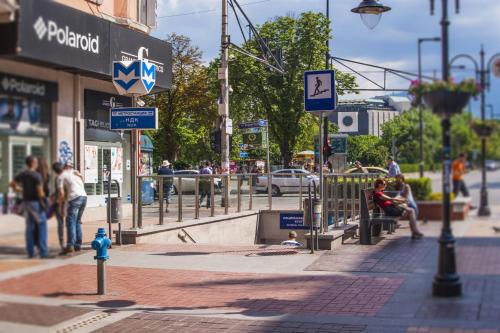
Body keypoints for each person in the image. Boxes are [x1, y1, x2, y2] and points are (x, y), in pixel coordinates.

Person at [9, 156, 49, 258]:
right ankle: (43, 252)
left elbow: (12, 183)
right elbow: (40, 193)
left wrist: (20, 190)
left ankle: (30, 252)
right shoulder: (36, 176)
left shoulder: (23, 174)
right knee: (42, 226)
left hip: (26, 202)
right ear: (33, 163)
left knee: (29, 227)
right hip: (36, 203)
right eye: (36, 162)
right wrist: (45, 200)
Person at [58, 161, 87, 254]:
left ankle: (70, 245)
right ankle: (78, 245)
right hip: (84, 197)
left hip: (74, 198)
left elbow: (61, 192)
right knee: (77, 221)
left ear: (64, 167)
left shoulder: (62, 175)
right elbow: (83, 183)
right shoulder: (76, 173)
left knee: (71, 221)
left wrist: (61, 206)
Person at [51, 162, 66, 250]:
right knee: (72, 222)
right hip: (70, 201)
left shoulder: (59, 177)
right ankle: (74, 243)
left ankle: (62, 243)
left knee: (60, 223)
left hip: (61, 202)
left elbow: (59, 192)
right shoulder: (68, 175)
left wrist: (60, 205)